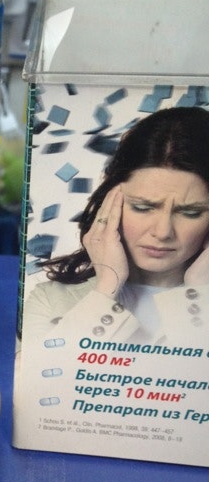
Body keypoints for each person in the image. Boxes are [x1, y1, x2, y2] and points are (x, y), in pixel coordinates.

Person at [23, 105, 209, 345]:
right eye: (142, 207)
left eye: (191, 212)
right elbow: (47, 369)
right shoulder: (50, 300)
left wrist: (201, 293)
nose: (163, 232)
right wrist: (106, 288)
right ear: (110, 202)